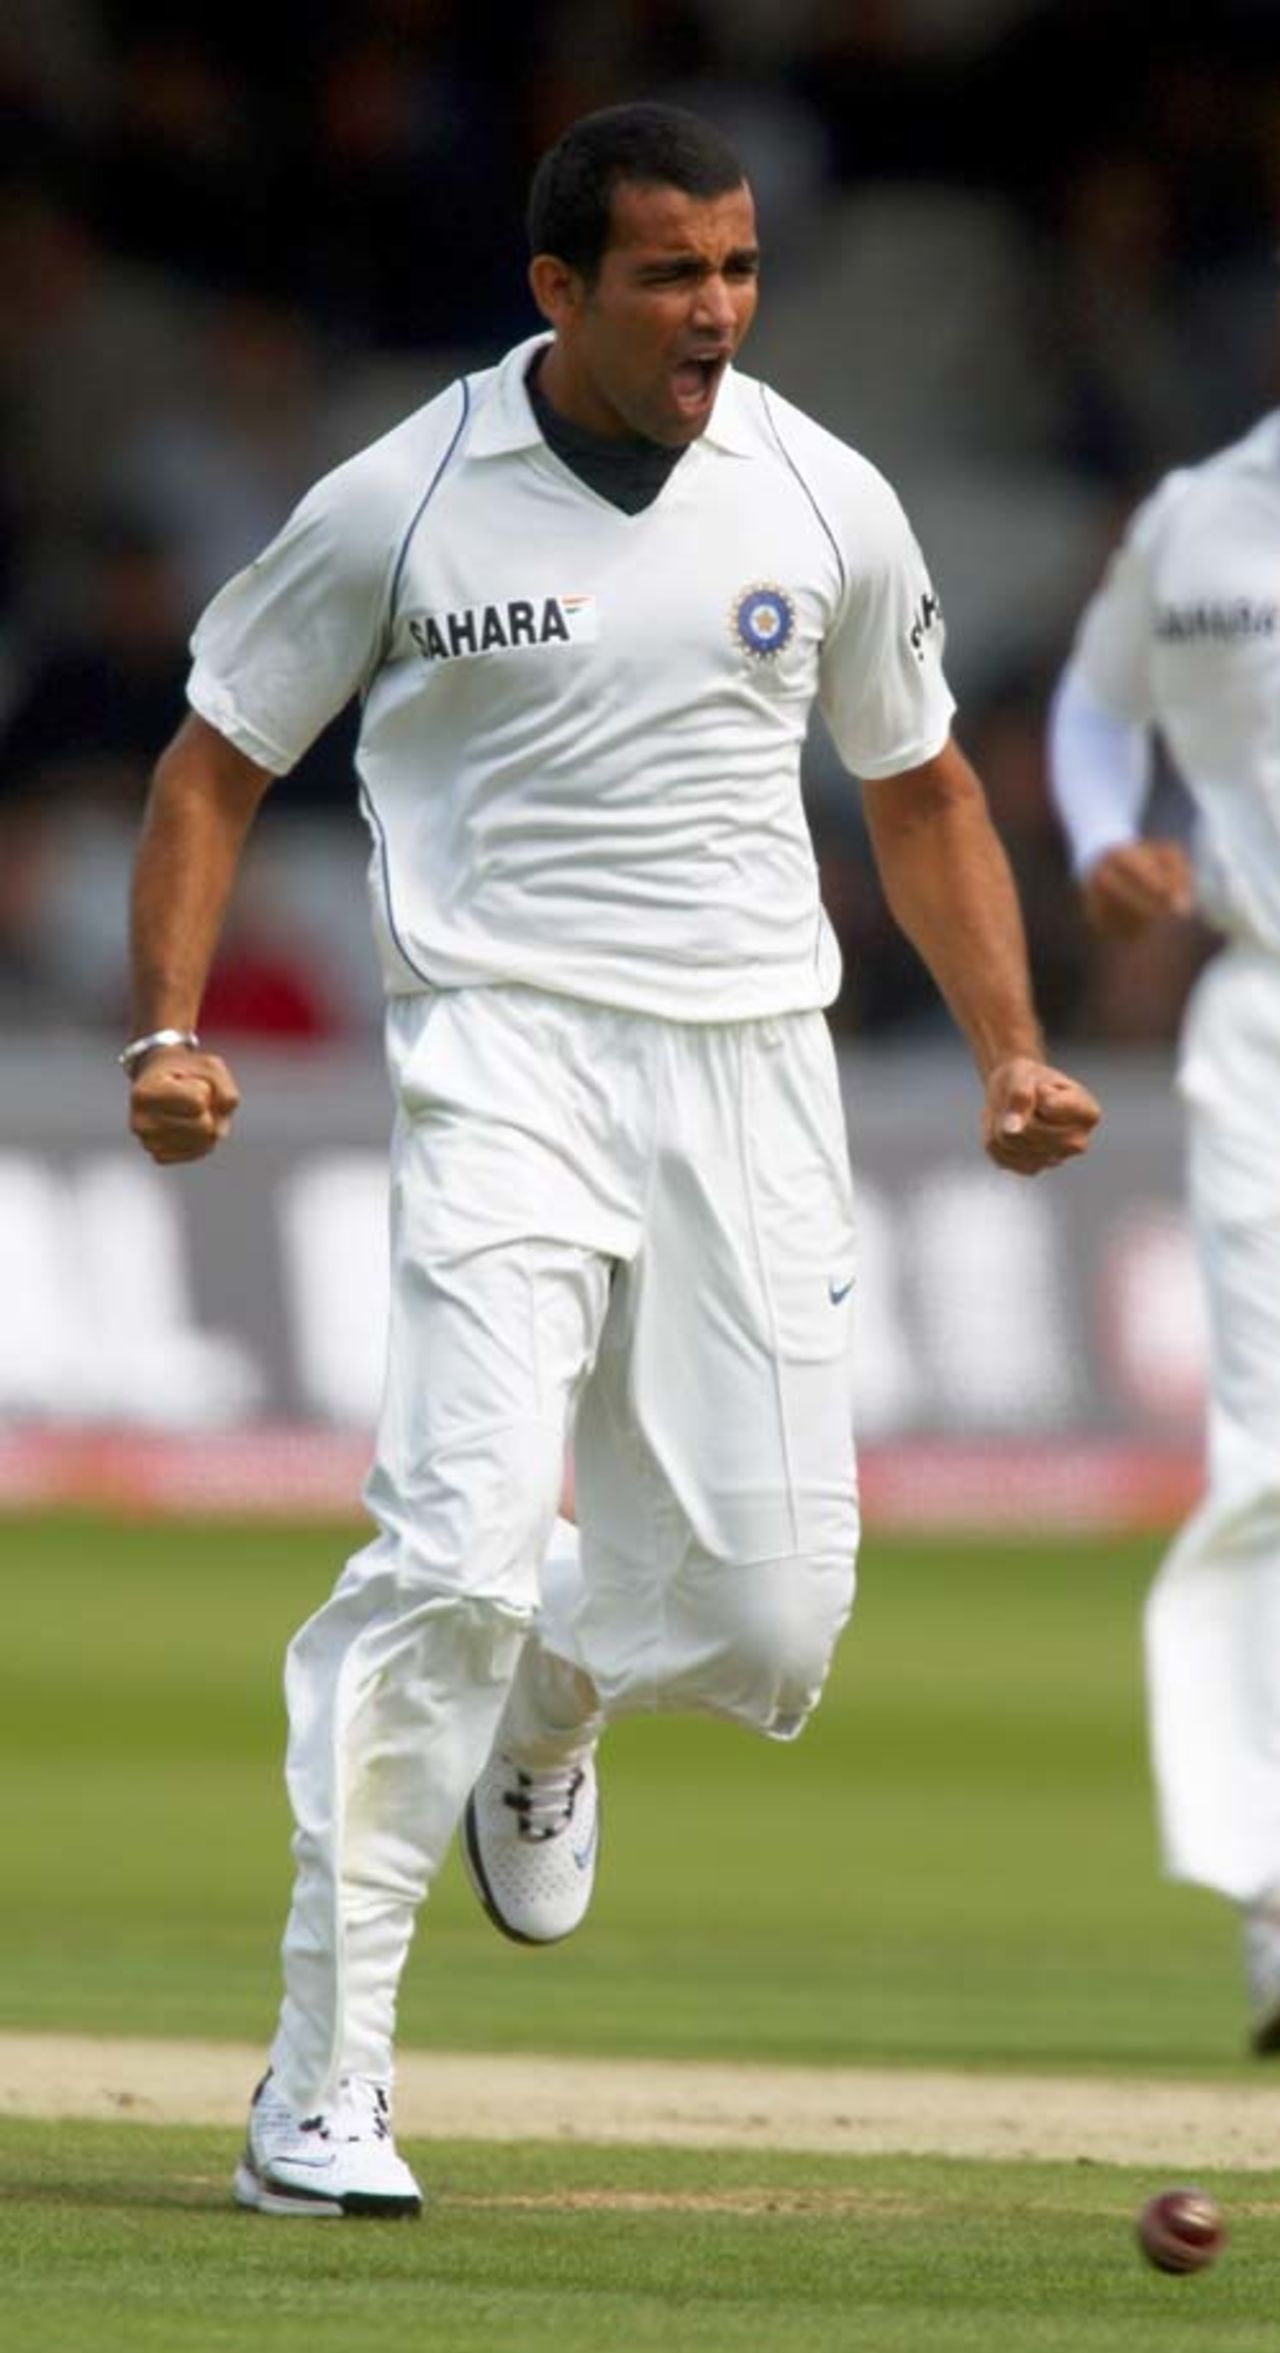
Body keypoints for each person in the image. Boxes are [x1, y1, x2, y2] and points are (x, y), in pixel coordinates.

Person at [123, 102, 1099, 2220]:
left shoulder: (819, 491)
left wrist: (1016, 1046)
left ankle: (544, 1706)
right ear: (559, 289)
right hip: (502, 1057)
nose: (717, 312)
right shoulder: (405, 496)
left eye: (736, 267)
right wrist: (173, 1028)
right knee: (449, 1556)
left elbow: (921, 790)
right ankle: (322, 2089)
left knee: (764, 1626)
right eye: (671, 274)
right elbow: (210, 761)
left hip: (754, 1071)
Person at [1049, 406, 1280, 2055]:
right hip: (1264, 1022)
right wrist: (1101, 837)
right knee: (1270, 1465)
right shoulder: (1201, 519)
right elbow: (1091, 700)